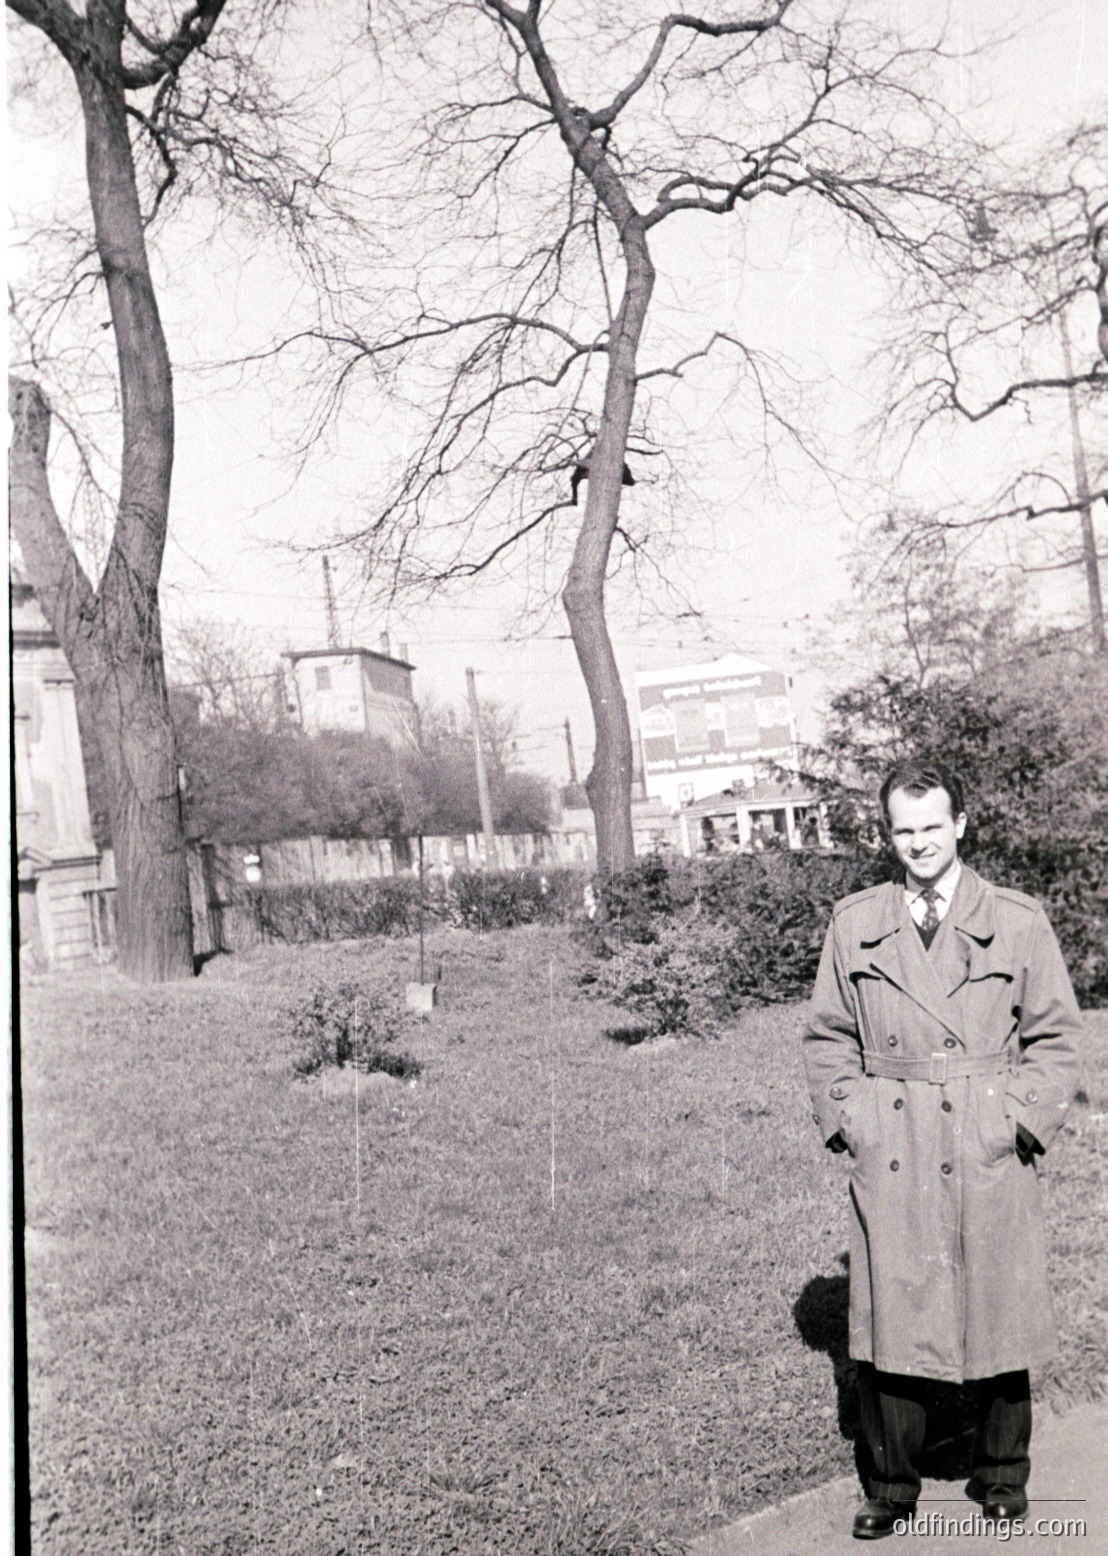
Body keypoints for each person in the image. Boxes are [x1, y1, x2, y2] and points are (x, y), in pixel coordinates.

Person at [802, 758, 1083, 1540]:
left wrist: (1016, 1124)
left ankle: (1001, 1474)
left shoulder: (1018, 919)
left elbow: (1058, 1037)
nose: (919, 842)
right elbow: (827, 1036)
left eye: (932, 826)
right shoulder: (855, 921)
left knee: (997, 1299)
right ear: (887, 833)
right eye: (904, 829)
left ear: (959, 825)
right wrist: (852, 1119)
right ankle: (891, 1485)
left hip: (983, 1132)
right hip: (893, 1134)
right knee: (892, 1309)